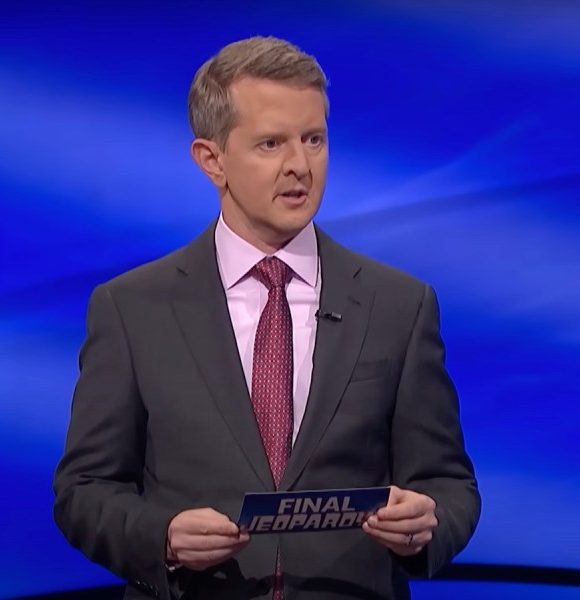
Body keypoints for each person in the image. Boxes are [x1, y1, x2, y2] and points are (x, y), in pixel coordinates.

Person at [53, 36, 480, 600]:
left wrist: (426, 524)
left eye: (314, 139)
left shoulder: (398, 304)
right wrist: (162, 537)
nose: (299, 165)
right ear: (212, 161)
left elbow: (449, 485)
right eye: (271, 144)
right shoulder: (132, 308)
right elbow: (84, 491)